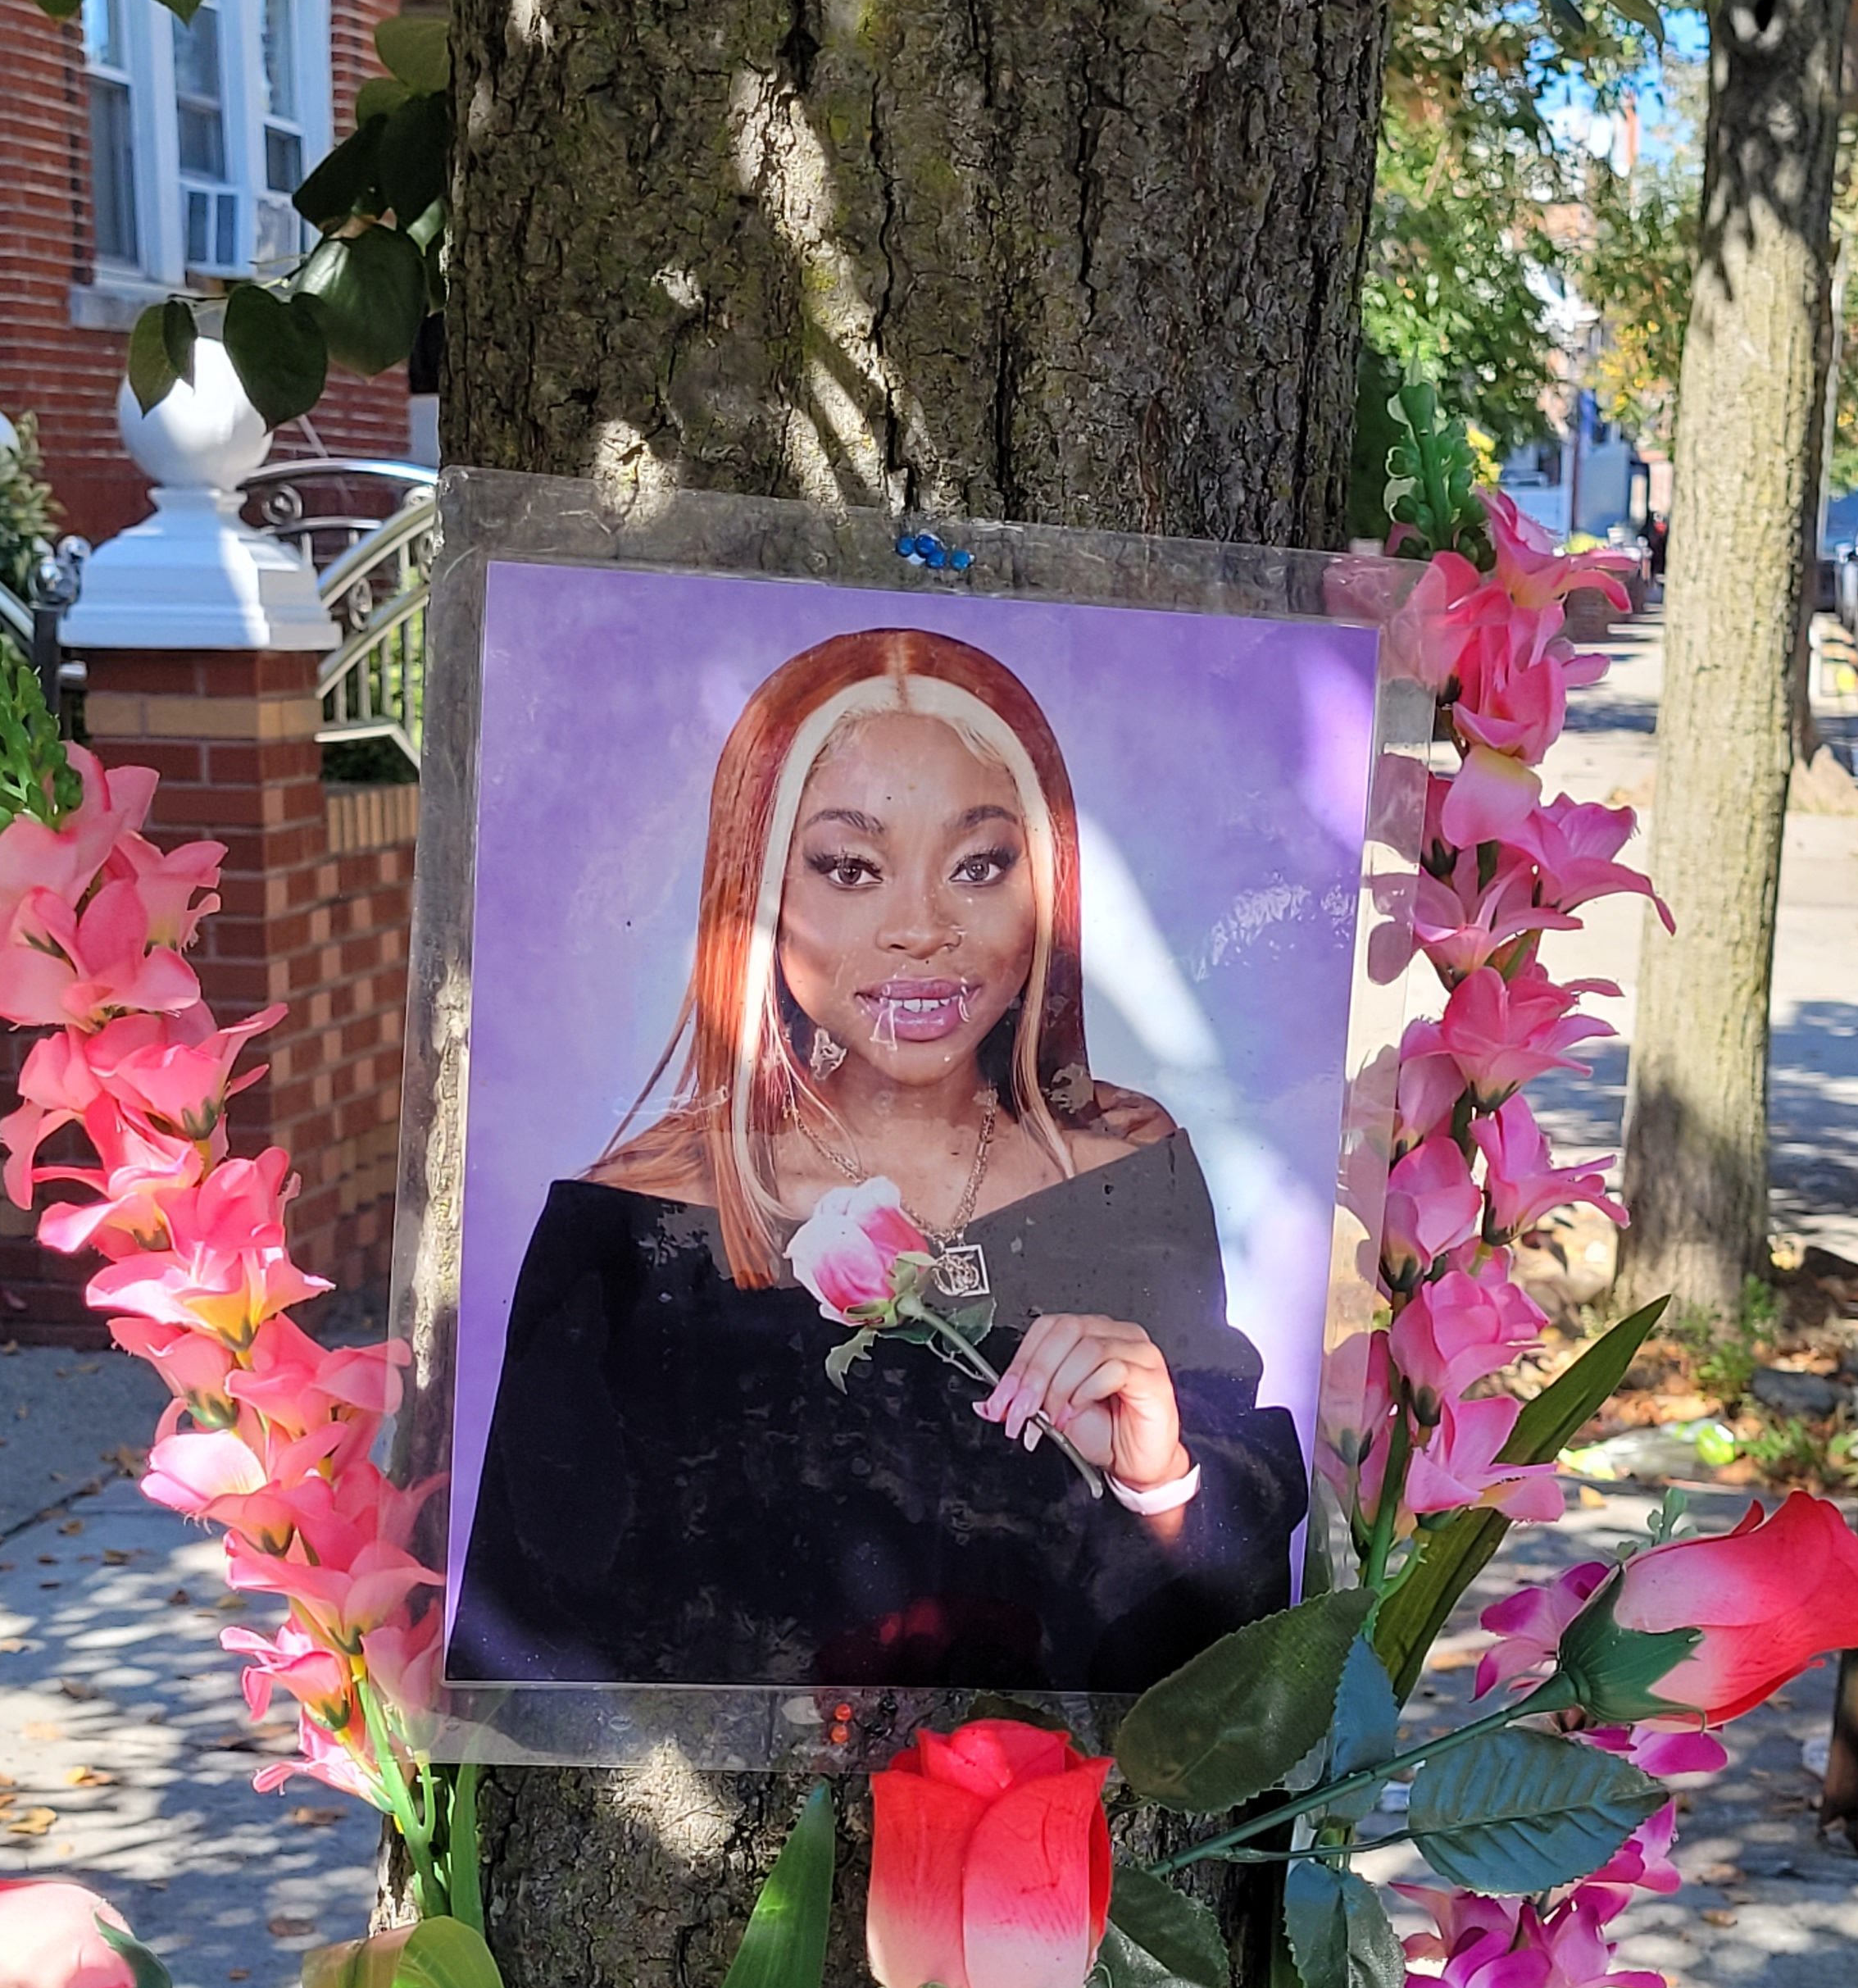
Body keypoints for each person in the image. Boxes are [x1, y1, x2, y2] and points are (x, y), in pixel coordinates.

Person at [452, 625, 1310, 1690]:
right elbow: (528, 1671)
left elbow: (1232, 1652)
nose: (922, 928)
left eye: (979, 865)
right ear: (760, 890)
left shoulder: (1128, 1181)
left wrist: (1165, 1485)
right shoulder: (624, 1232)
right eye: (851, 868)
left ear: (1045, 883)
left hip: (1065, 1794)